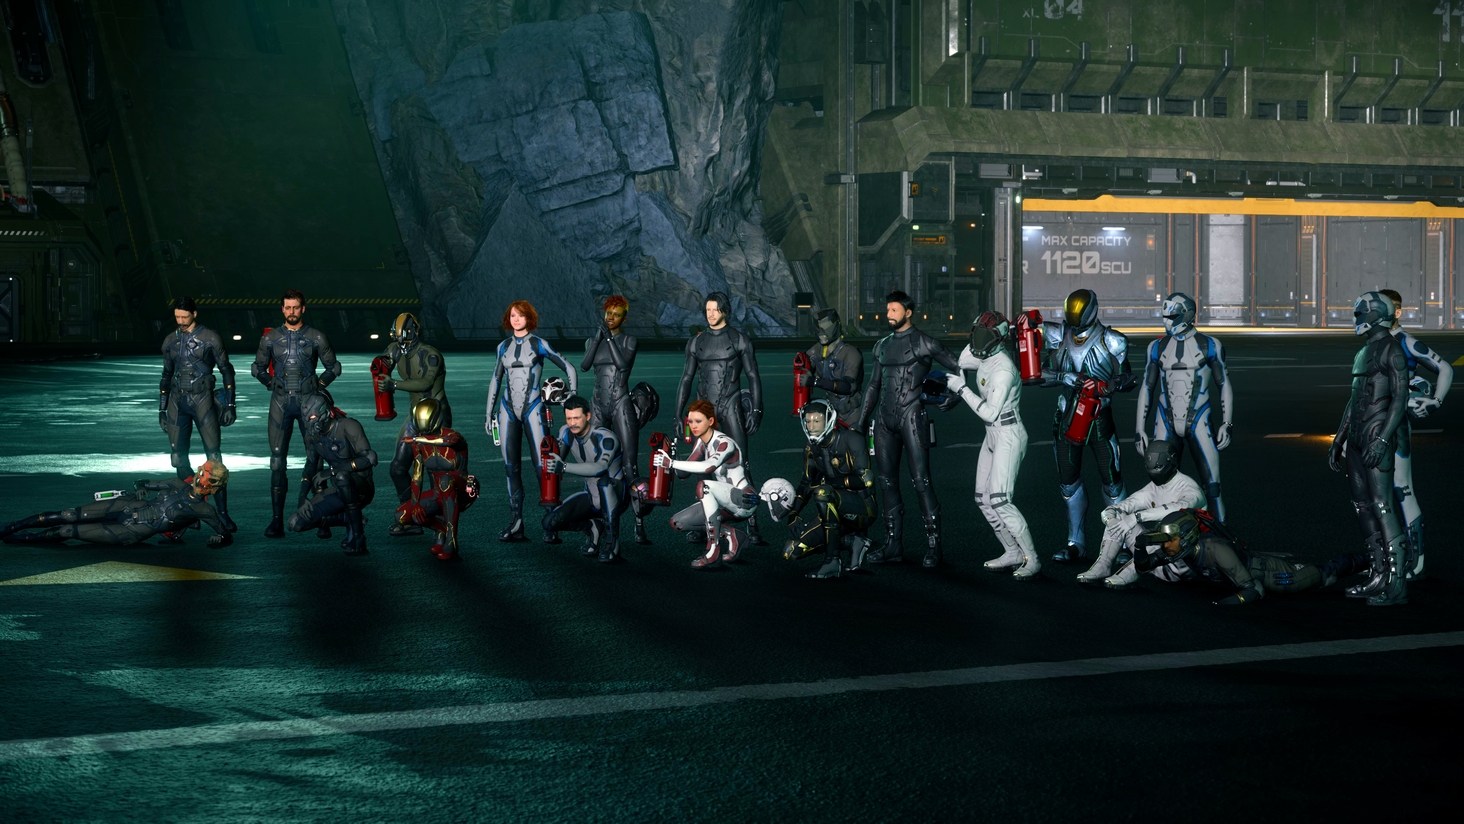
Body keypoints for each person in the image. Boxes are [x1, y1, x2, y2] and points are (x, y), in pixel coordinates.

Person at [858, 290, 961, 568]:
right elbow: (874, 385)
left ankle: (934, 547)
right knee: (886, 482)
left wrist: (956, 396)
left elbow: (959, 367)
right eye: (888, 310)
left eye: (894, 310)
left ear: (908, 312)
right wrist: (861, 422)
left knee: (921, 482)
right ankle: (893, 545)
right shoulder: (881, 346)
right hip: (885, 420)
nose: (889, 314)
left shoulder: (925, 342)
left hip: (912, 417)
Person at [1038, 288, 1137, 564]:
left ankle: (1121, 543)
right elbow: (1037, 375)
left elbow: (1128, 377)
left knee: (1112, 483)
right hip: (1067, 417)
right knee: (1068, 483)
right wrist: (1065, 377)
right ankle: (1076, 542)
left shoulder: (1112, 340)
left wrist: (1109, 385)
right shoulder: (1058, 335)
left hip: (1098, 418)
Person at [1327, 292, 1411, 607]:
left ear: (1375, 314)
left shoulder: (1392, 349)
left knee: (1382, 506)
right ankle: (1379, 575)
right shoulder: (1364, 352)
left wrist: (1384, 439)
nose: (1357, 318)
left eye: (1361, 312)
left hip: (1376, 436)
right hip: (1359, 439)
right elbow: (1354, 398)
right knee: (1363, 506)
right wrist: (1339, 438)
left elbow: (1400, 398)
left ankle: (1396, 584)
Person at [944, 311, 1039, 579]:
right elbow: (962, 360)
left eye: (984, 336)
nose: (978, 341)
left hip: (1008, 432)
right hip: (992, 435)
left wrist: (961, 389)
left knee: (1000, 500)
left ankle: (1032, 559)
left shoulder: (1004, 370)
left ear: (999, 340)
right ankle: (1012, 551)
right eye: (977, 334)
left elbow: (990, 413)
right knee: (983, 499)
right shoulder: (985, 355)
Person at [1131, 509, 1370, 605]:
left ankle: (1370, 559)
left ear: (1186, 537)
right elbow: (1144, 566)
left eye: (1169, 540)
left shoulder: (1216, 550)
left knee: (1325, 576)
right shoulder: (1178, 549)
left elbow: (1254, 590)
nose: (1166, 546)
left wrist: (1221, 604)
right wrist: (1141, 546)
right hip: (1245, 569)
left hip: (1270, 575)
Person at [675, 291, 765, 543]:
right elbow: (686, 379)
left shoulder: (740, 340)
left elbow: (753, 376)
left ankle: (752, 523)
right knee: (701, 469)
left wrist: (757, 409)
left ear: (725, 311)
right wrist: (678, 413)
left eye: (715, 309)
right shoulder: (696, 342)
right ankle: (703, 524)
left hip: (731, 405)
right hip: (704, 410)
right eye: (707, 310)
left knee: (741, 465)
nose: (710, 314)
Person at [1134, 292, 1233, 521]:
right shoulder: (1156, 348)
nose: (1167, 321)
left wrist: (1227, 423)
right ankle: (1167, 538)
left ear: (1187, 315)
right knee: (1161, 487)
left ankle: (1220, 536)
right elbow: (1147, 388)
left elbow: (1224, 384)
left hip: (1199, 419)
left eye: (1172, 316)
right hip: (1166, 420)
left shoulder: (1210, 345)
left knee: (1212, 487)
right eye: (1165, 316)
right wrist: (1139, 429)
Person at [485, 300, 577, 543]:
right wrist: (488, 413)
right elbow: (496, 379)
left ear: (529, 318)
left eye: (521, 315)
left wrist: (572, 395)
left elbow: (568, 366)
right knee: (510, 467)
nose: (516, 319)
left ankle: (551, 522)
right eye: (512, 315)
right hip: (507, 409)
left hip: (534, 408)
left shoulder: (539, 344)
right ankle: (516, 522)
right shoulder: (502, 347)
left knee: (543, 467)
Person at [252, 289, 342, 538]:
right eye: (287, 307)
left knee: (316, 457)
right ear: (282, 309)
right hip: (280, 403)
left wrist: (319, 385)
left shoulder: (316, 337)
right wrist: (270, 382)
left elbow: (334, 367)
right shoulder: (270, 338)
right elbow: (257, 368)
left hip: (309, 403)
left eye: (296, 307)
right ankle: (276, 521)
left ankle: (322, 519)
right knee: (277, 461)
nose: (291, 311)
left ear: (303, 308)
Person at [1378, 288, 1452, 580]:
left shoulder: (1405, 341)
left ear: (1396, 312)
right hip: (1373, 424)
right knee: (1376, 496)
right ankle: (1387, 558)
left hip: (1395, 425)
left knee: (1401, 489)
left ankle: (1415, 559)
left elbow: (1445, 368)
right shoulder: (1374, 341)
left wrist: (1435, 401)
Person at [2, 461, 233, 547]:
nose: (203, 479)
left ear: (214, 487)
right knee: (68, 514)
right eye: (204, 473)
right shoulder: (175, 483)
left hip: (132, 531)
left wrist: (219, 539)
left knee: (67, 530)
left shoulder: (205, 510)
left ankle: (22, 538)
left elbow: (225, 534)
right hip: (126, 505)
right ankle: (13, 526)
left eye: (210, 479)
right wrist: (140, 487)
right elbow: (141, 482)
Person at [770, 398, 877, 579]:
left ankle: (832, 562)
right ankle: (853, 542)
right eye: (808, 421)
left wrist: (828, 483)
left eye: (817, 420)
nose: (811, 426)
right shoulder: (811, 449)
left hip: (863, 509)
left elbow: (865, 480)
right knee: (791, 551)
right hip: (833, 510)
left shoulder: (852, 439)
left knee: (822, 492)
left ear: (829, 420)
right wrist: (793, 514)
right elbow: (806, 484)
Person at [158, 296, 238, 532]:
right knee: (178, 458)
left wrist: (230, 405)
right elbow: (166, 376)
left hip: (203, 399)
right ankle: (191, 509)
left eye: (185, 316)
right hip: (177, 401)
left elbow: (227, 370)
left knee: (214, 459)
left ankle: (222, 514)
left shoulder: (210, 338)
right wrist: (161, 409)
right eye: (177, 317)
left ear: (194, 314)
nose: (181, 321)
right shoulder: (170, 340)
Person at [1080, 439, 1206, 587]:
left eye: (1157, 467)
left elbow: (1179, 507)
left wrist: (1137, 517)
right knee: (1120, 517)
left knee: (1163, 532)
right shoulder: (1154, 488)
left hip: (1184, 562)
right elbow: (1116, 508)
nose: (1153, 473)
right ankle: (1103, 565)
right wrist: (1112, 521)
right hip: (1159, 559)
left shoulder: (1190, 490)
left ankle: (1130, 571)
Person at [580, 296, 655, 545]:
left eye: (616, 314)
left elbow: (622, 365)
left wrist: (609, 339)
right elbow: (585, 365)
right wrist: (598, 339)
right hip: (598, 405)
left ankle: (639, 524)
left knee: (629, 465)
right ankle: (599, 523)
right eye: (608, 313)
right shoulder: (593, 340)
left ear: (624, 317)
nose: (610, 318)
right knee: (596, 465)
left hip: (621, 403)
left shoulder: (629, 340)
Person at [654, 400, 755, 570]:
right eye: (690, 421)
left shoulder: (725, 443)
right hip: (723, 501)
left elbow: (708, 467)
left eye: (698, 421)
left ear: (710, 421)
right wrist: (671, 453)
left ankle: (713, 553)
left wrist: (671, 463)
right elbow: (683, 474)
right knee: (678, 523)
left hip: (743, 499)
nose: (693, 426)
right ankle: (733, 535)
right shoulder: (701, 443)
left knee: (704, 486)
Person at [376, 312, 448, 535]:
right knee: (397, 468)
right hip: (415, 415)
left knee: (435, 472)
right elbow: (381, 364)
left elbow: (426, 383)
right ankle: (410, 516)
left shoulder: (431, 355)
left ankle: (443, 525)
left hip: (436, 416)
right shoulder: (396, 349)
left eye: (404, 338)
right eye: (398, 339)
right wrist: (380, 366)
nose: (401, 344)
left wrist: (394, 385)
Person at [287, 391, 377, 555]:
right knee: (297, 523)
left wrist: (333, 471)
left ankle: (358, 537)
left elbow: (369, 459)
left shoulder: (348, 426)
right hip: (338, 489)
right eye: (305, 418)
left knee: (342, 477)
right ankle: (349, 519)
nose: (309, 422)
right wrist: (302, 496)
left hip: (361, 488)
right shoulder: (312, 437)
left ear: (327, 413)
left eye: (313, 417)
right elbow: (310, 466)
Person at [542, 396, 629, 563]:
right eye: (569, 418)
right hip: (591, 496)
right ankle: (592, 527)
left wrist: (564, 467)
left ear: (588, 416)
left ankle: (612, 542)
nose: (572, 423)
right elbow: (556, 461)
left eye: (576, 418)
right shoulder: (565, 432)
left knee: (604, 482)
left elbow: (600, 468)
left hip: (617, 495)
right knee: (549, 522)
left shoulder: (605, 437)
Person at [397, 398, 477, 560]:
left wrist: (416, 439)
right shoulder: (419, 444)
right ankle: (442, 530)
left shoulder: (453, 436)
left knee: (445, 481)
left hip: (464, 490)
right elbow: (417, 476)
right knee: (402, 515)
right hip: (439, 492)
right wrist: (415, 502)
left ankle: (451, 542)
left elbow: (449, 442)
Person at [799, 308, 864, 428]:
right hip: (830, 412)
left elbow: (849, 387)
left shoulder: (851, 353)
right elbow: (802, 377)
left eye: (825, 326)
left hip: (851, 413)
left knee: (853, 439)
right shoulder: (815, 352)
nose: (821, 332)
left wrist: (815, 382)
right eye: (818, 326)